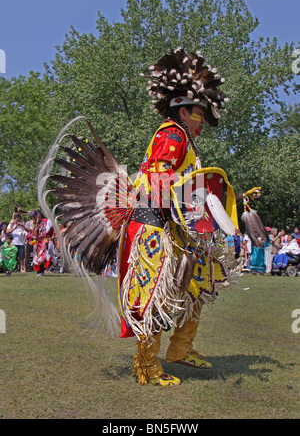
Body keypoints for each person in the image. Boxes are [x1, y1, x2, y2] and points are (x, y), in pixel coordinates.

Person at [44, 48, 264, 387]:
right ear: (181, 110)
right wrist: (196, 194)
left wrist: (216, 201)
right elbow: (160, 175)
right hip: (150, 226)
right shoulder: (173, 134)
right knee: (153, 294)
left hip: (171, 227)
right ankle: (145, 365)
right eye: (198, 113)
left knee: (199, 283)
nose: (202, 120)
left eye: (204, 114)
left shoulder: (185, 141)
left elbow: (185, 186)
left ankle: (180, 349)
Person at [32, 211, 56, 276]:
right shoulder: (35, 224)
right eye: (35, 216)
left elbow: (53, 228)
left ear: (40, 215)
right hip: (38, 242)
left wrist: (53, 235)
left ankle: (48, 266)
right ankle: (40, 271)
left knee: (44, 256)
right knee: (37, 257)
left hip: (45, 241)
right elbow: (33, 232)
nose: (37, 217)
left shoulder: (46, 222)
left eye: (38, 216)